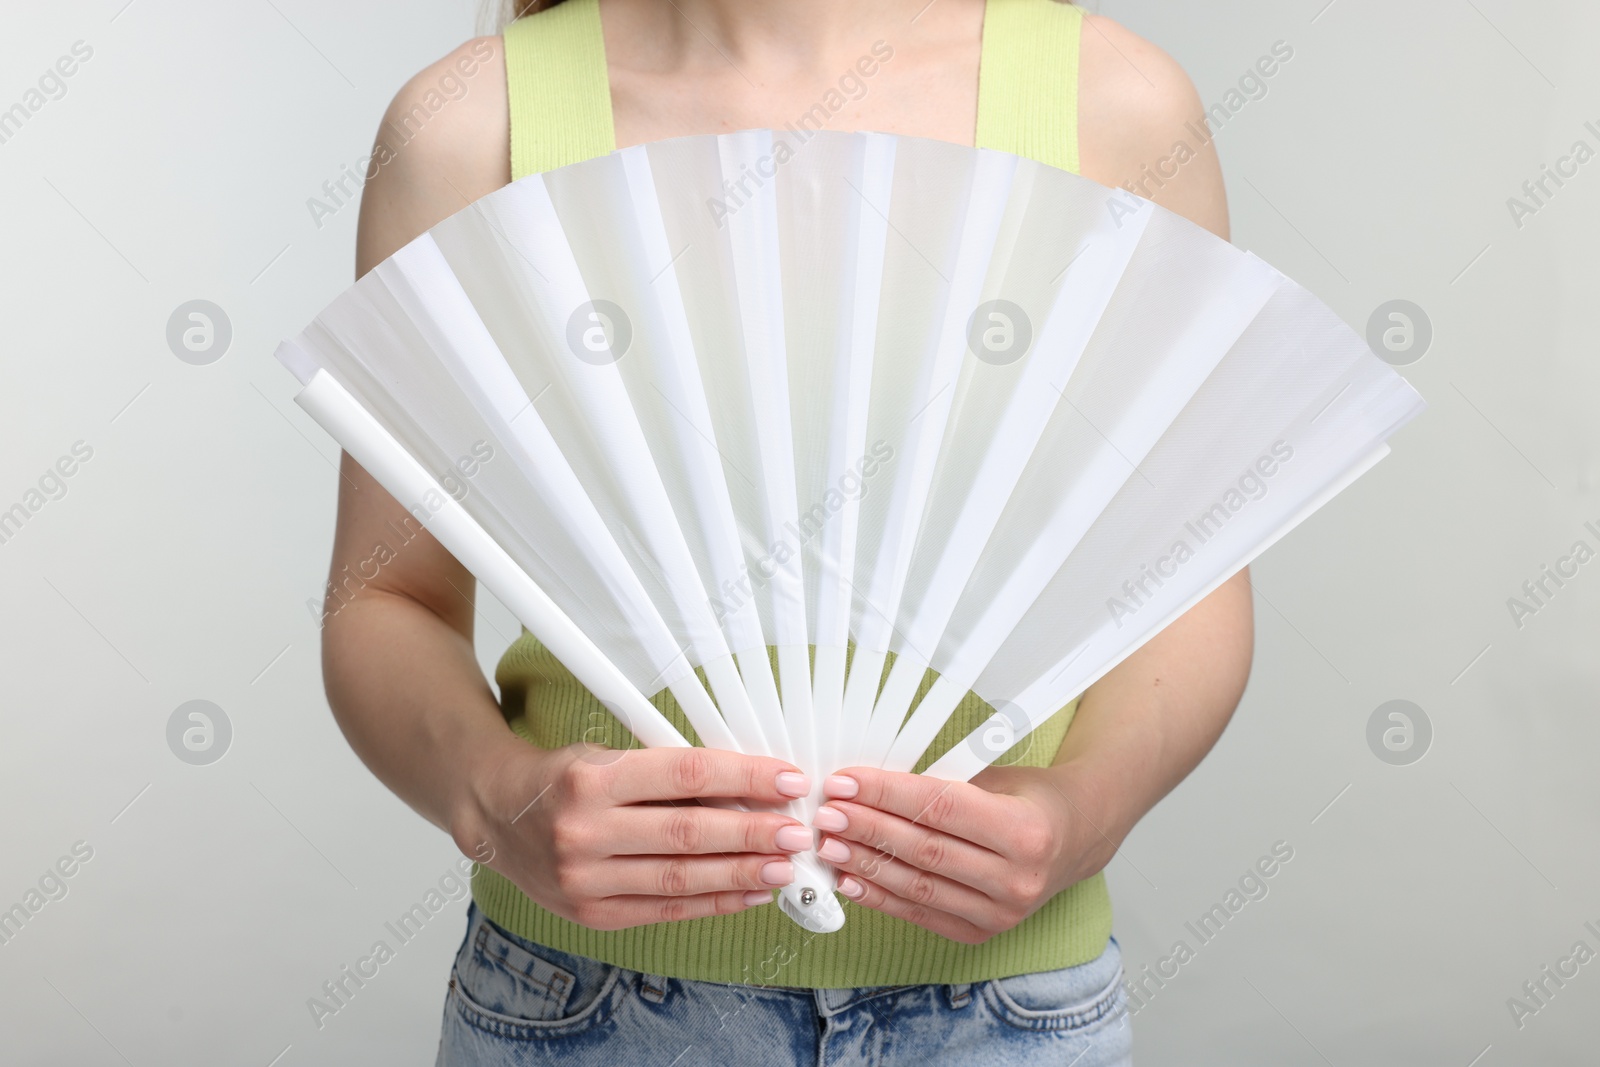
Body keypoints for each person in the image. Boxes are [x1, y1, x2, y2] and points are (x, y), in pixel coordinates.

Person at [324, 0, 1250, 1062]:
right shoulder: (471, 129)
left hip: (1003, 1014)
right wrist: (496, 795)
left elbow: (1188, 582)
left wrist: (1084, 806)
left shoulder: (1110, 108)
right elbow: (389, 598)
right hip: (583, 1009)